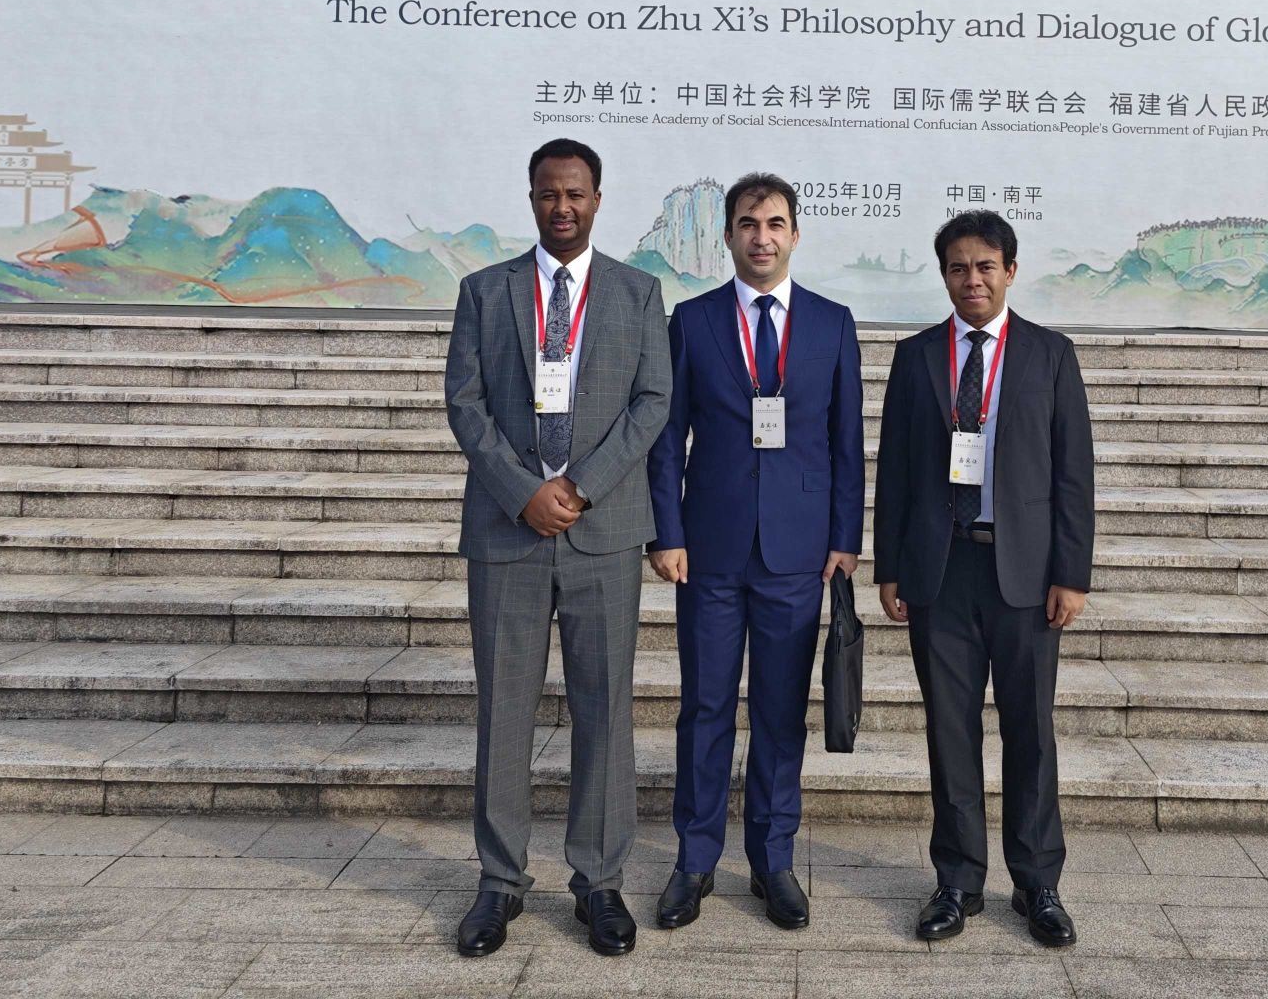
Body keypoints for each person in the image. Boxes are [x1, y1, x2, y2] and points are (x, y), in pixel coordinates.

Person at [443, 138, 671, 958]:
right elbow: (465, 403)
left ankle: (599, 881)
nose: (562, 207)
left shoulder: (639, 293)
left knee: (604, 709)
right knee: (504, 709)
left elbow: (653, 401)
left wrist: (582, 486)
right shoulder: (485, 291)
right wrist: (524, 491)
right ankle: (499, 881)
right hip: (508, 532)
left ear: (598, 199)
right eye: (549, 194)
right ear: (532, 198)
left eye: (576, 194)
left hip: (602, 532)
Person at [646, 173, 865, 931]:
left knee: (780, 712)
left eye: (774, 224)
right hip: (708, 549)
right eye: (747, 223)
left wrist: (844, 539)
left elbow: (846, 441)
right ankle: (694, 859)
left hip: (798, 554)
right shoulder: (693, 321)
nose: (761, 237)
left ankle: (773, 860)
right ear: (728, 236)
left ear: (795, 234)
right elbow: (668, 437)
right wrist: (666, 531)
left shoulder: (832, 324)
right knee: (704, 707)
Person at [872, 210, 1095, 948]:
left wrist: (1071, 573)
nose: (973, 279)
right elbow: (896, 468)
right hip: (941, 570)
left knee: (1031, 731)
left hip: (1025, 573)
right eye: (959, 267)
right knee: (950, 732)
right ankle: (958, 881)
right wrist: (891, 566)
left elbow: (1073, 472)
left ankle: (1038, 883)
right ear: (944, 275)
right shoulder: (915, 357)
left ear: (1010, 271)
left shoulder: (1050, 355)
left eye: (986, 266)